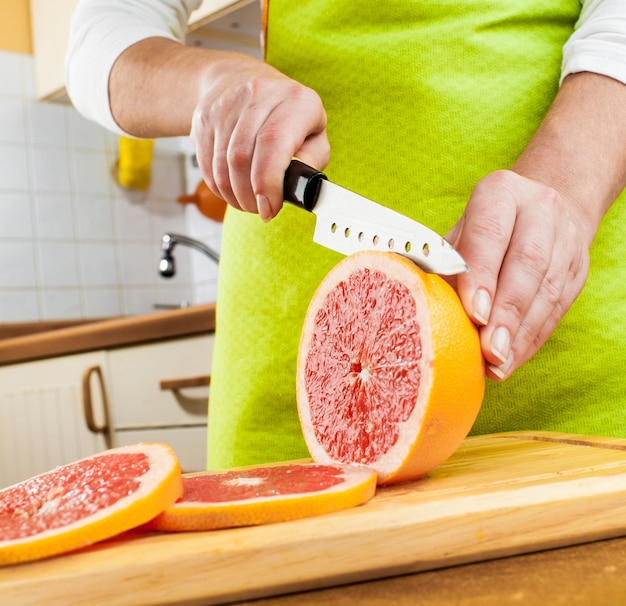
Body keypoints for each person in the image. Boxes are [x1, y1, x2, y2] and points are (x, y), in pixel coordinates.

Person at [66, 0, 626, 470]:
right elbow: (102, 34)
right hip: (291, 370)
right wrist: (211, 82)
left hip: (566, 374)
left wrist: (569, 186)